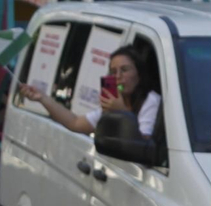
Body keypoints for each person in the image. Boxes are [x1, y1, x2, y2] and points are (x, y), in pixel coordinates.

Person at [17, 42, 162, 138]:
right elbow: (75, 123)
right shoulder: (115, 102)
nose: (118, 77)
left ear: (139, 74)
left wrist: (123, 113)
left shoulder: (151, 100)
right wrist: (42, 98)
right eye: (113, 71)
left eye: (124, 70)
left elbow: (144, 143)